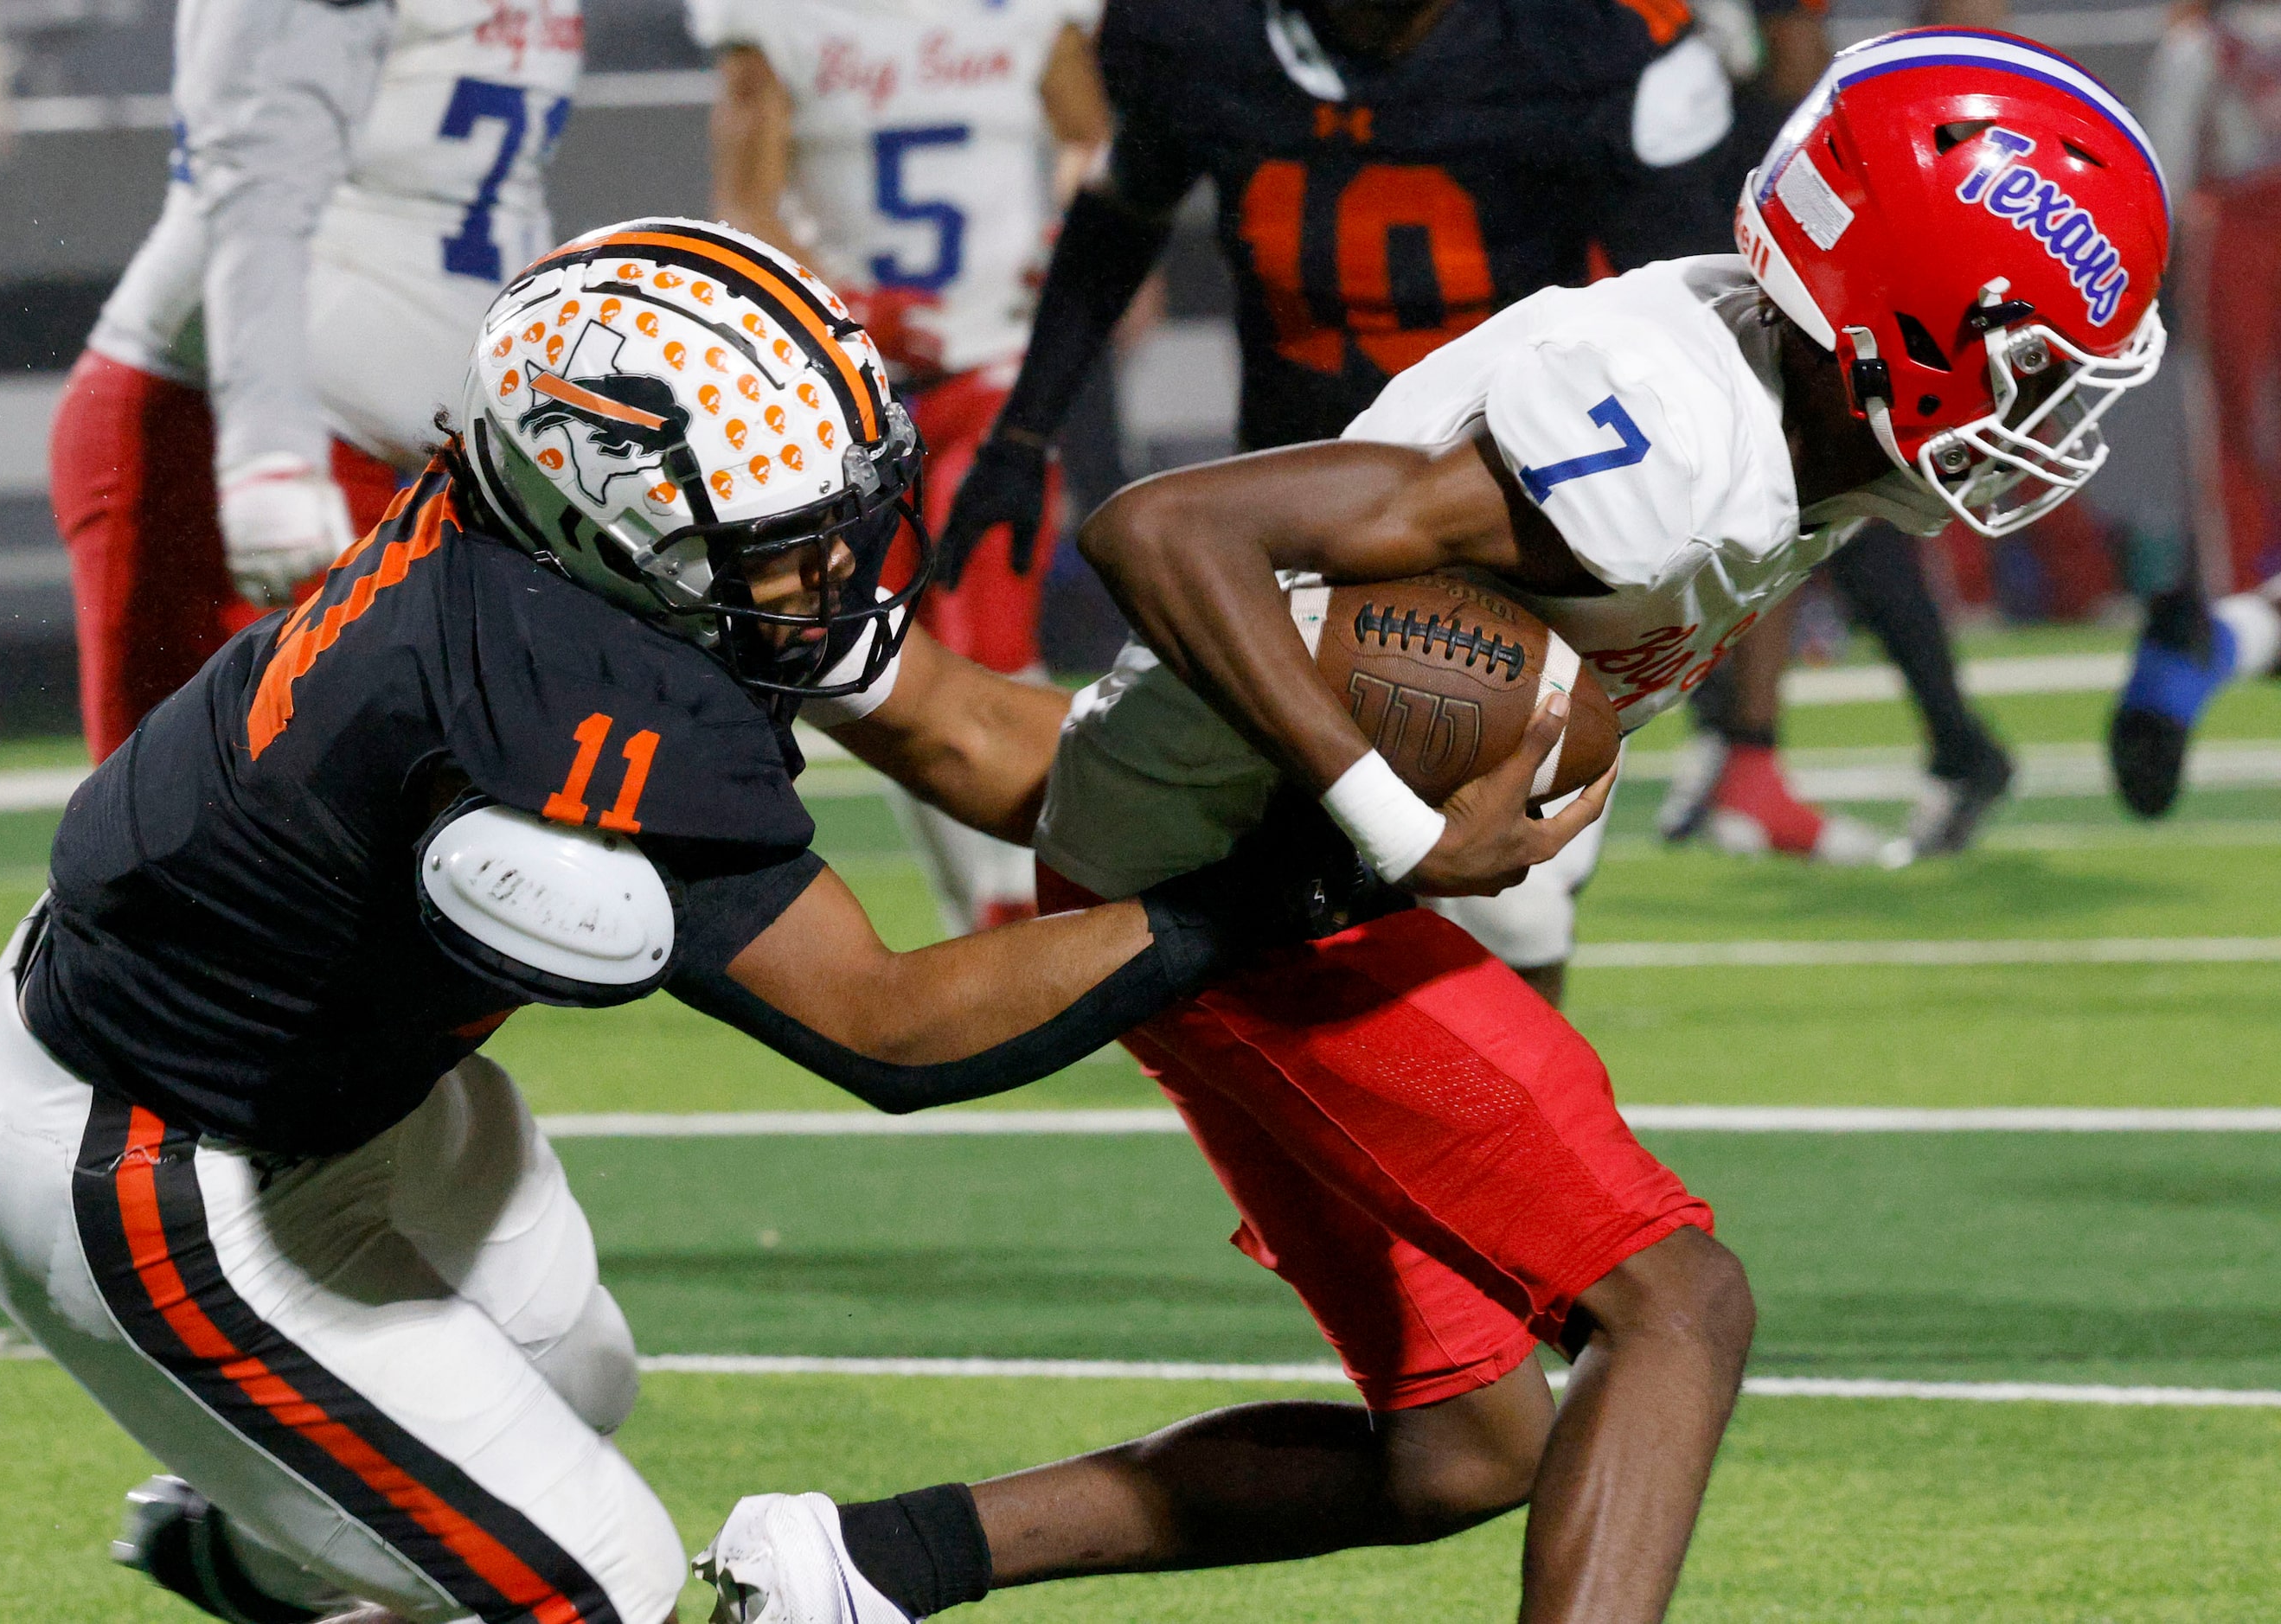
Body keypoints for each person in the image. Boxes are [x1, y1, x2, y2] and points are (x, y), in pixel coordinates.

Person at [698, 30, 2170, 1624]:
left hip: (1248, 835)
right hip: (1262, 880)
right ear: (1903, 317)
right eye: (2035, 359)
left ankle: (857, 1565)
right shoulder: (1676, 440)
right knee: (1677, 1302)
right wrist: (1390, 816)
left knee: (1462, 1450)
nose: (2053, 409)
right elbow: (1166, 527)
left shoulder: (1781, 416)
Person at [0, 222, 1456, 1624]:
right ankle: (297, 1523)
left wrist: (1284, 775)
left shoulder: (588, 534)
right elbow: (890, 1026)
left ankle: (263, 1545)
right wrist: (1275, 895)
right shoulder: (558, 677)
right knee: (593, 1580)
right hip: (150, 1158)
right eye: (798, 537)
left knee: (575, 1379)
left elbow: (961, 733)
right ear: (616, 509)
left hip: (344, 1081)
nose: (840, 570)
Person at [931, 0, 1740, 999]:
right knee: (1188, 827)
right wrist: (1023, 432)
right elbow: (1119, 213)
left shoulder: (1588, 41)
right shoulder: (1193, 35)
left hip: (1506, 527)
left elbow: (1694, 309)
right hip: (1281, 526)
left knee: (1504, 895)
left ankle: (1506, 1118)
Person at [48, 0, 584, 762]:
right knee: (194, 858)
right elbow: (256, 189)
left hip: (422, 465)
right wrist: (269, 459)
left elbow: (491, 201)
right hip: (223, 435)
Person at [690, 0, 1112, 932]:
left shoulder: (1030, 16)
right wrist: (851, 308)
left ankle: (1023, 898)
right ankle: (986, 906)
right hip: (846, 386)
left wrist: (1075, 244)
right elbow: (744, 208)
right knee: (868, 660)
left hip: (994, 370)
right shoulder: (773, 22)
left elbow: (1094, 143)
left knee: (989, 638)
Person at [1663, 0, 2021, 866]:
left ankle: (1747, 745)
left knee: (1813, 479)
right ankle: (1745, 741)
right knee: (1784, 490)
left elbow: (1796, 64)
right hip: (1690, 188)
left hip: (1746, 197)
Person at [2111, 0, 2281, 815]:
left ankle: (2219, 637)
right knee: (2229, 440)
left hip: (2235, 229)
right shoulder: (2199, 45)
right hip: (2234, 232)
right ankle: (2224, 609)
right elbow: (2170, 177)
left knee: (2234, 442)